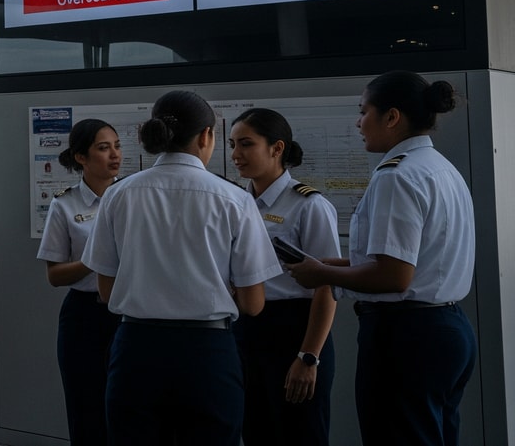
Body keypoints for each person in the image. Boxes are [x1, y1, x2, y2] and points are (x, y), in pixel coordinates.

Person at [83, 89, 280, 446]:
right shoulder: (234, 199)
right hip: (208, 353)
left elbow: (106, 289)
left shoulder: (119, 194)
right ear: (207, 135)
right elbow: (253, 303)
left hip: (136, 350)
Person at [289, 72, 475, 446]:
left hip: (406, 336)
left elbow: (394, 276)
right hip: (446, 327)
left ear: (392, 117)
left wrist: (322, 272)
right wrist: (325, 265)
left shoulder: (397, 175)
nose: (358, 123)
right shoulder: (440, 168)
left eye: (364, 111)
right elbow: (414, 263)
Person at [228, 107, 339, 446]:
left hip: (295, 330)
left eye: (246, 144)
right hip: (246, 329)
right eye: (232, 144)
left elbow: (327, 285)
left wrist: (308, 357)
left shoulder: (308, 205)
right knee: (255, 430)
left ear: (277, 148)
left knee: (300, 433)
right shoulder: (234, 203)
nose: (235, 154)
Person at [35, 118, 122, 446]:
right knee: (86, 409)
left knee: (128, 409)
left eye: (116, 146)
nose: (114, 155)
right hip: (85, 316)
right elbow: (54, 274)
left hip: (127, 312)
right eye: (103, 148)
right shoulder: (65, 203)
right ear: (81, 157)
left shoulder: (133, 197)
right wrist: (92, 261)